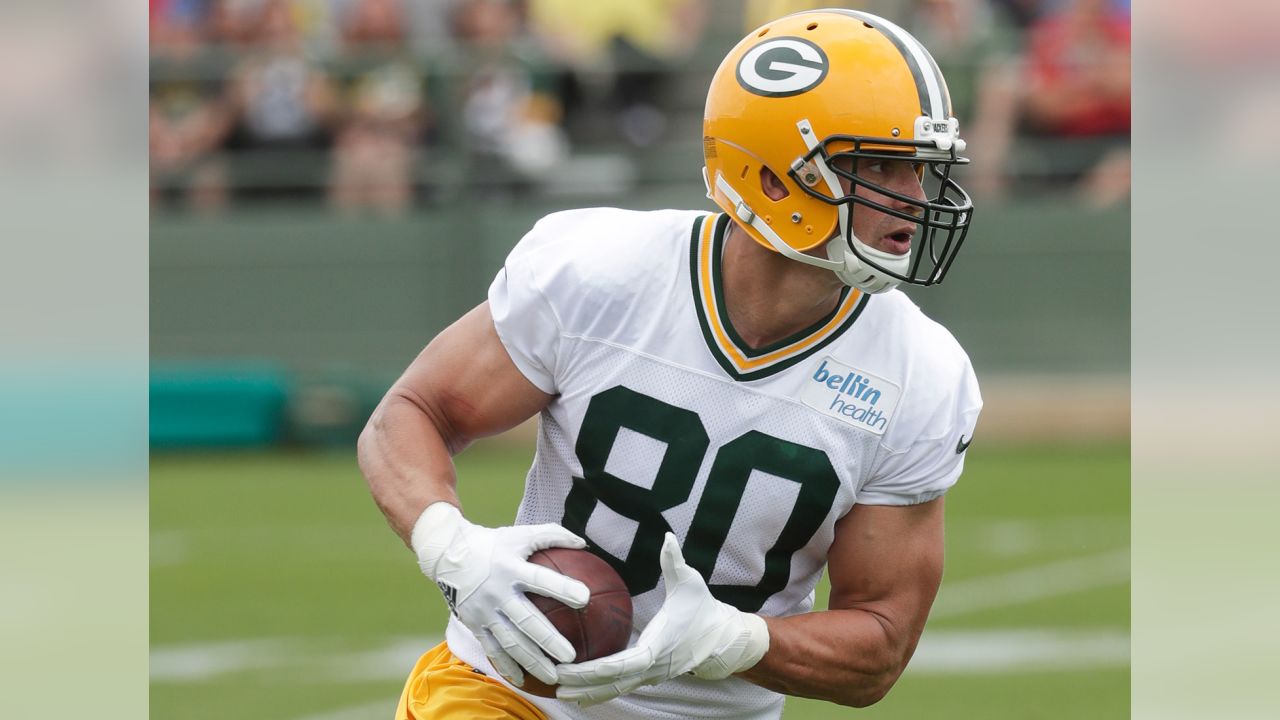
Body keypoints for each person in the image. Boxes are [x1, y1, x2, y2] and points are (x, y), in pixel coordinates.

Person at [358, 9, 981, 719]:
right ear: (774, 179)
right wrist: (456, 550)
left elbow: (881, 642)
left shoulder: (922, 373)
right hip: (506, 692)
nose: (915, 198)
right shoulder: (601, 272)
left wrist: (738, 639)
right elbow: (410, 414)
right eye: (878, 165)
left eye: (921, 168)